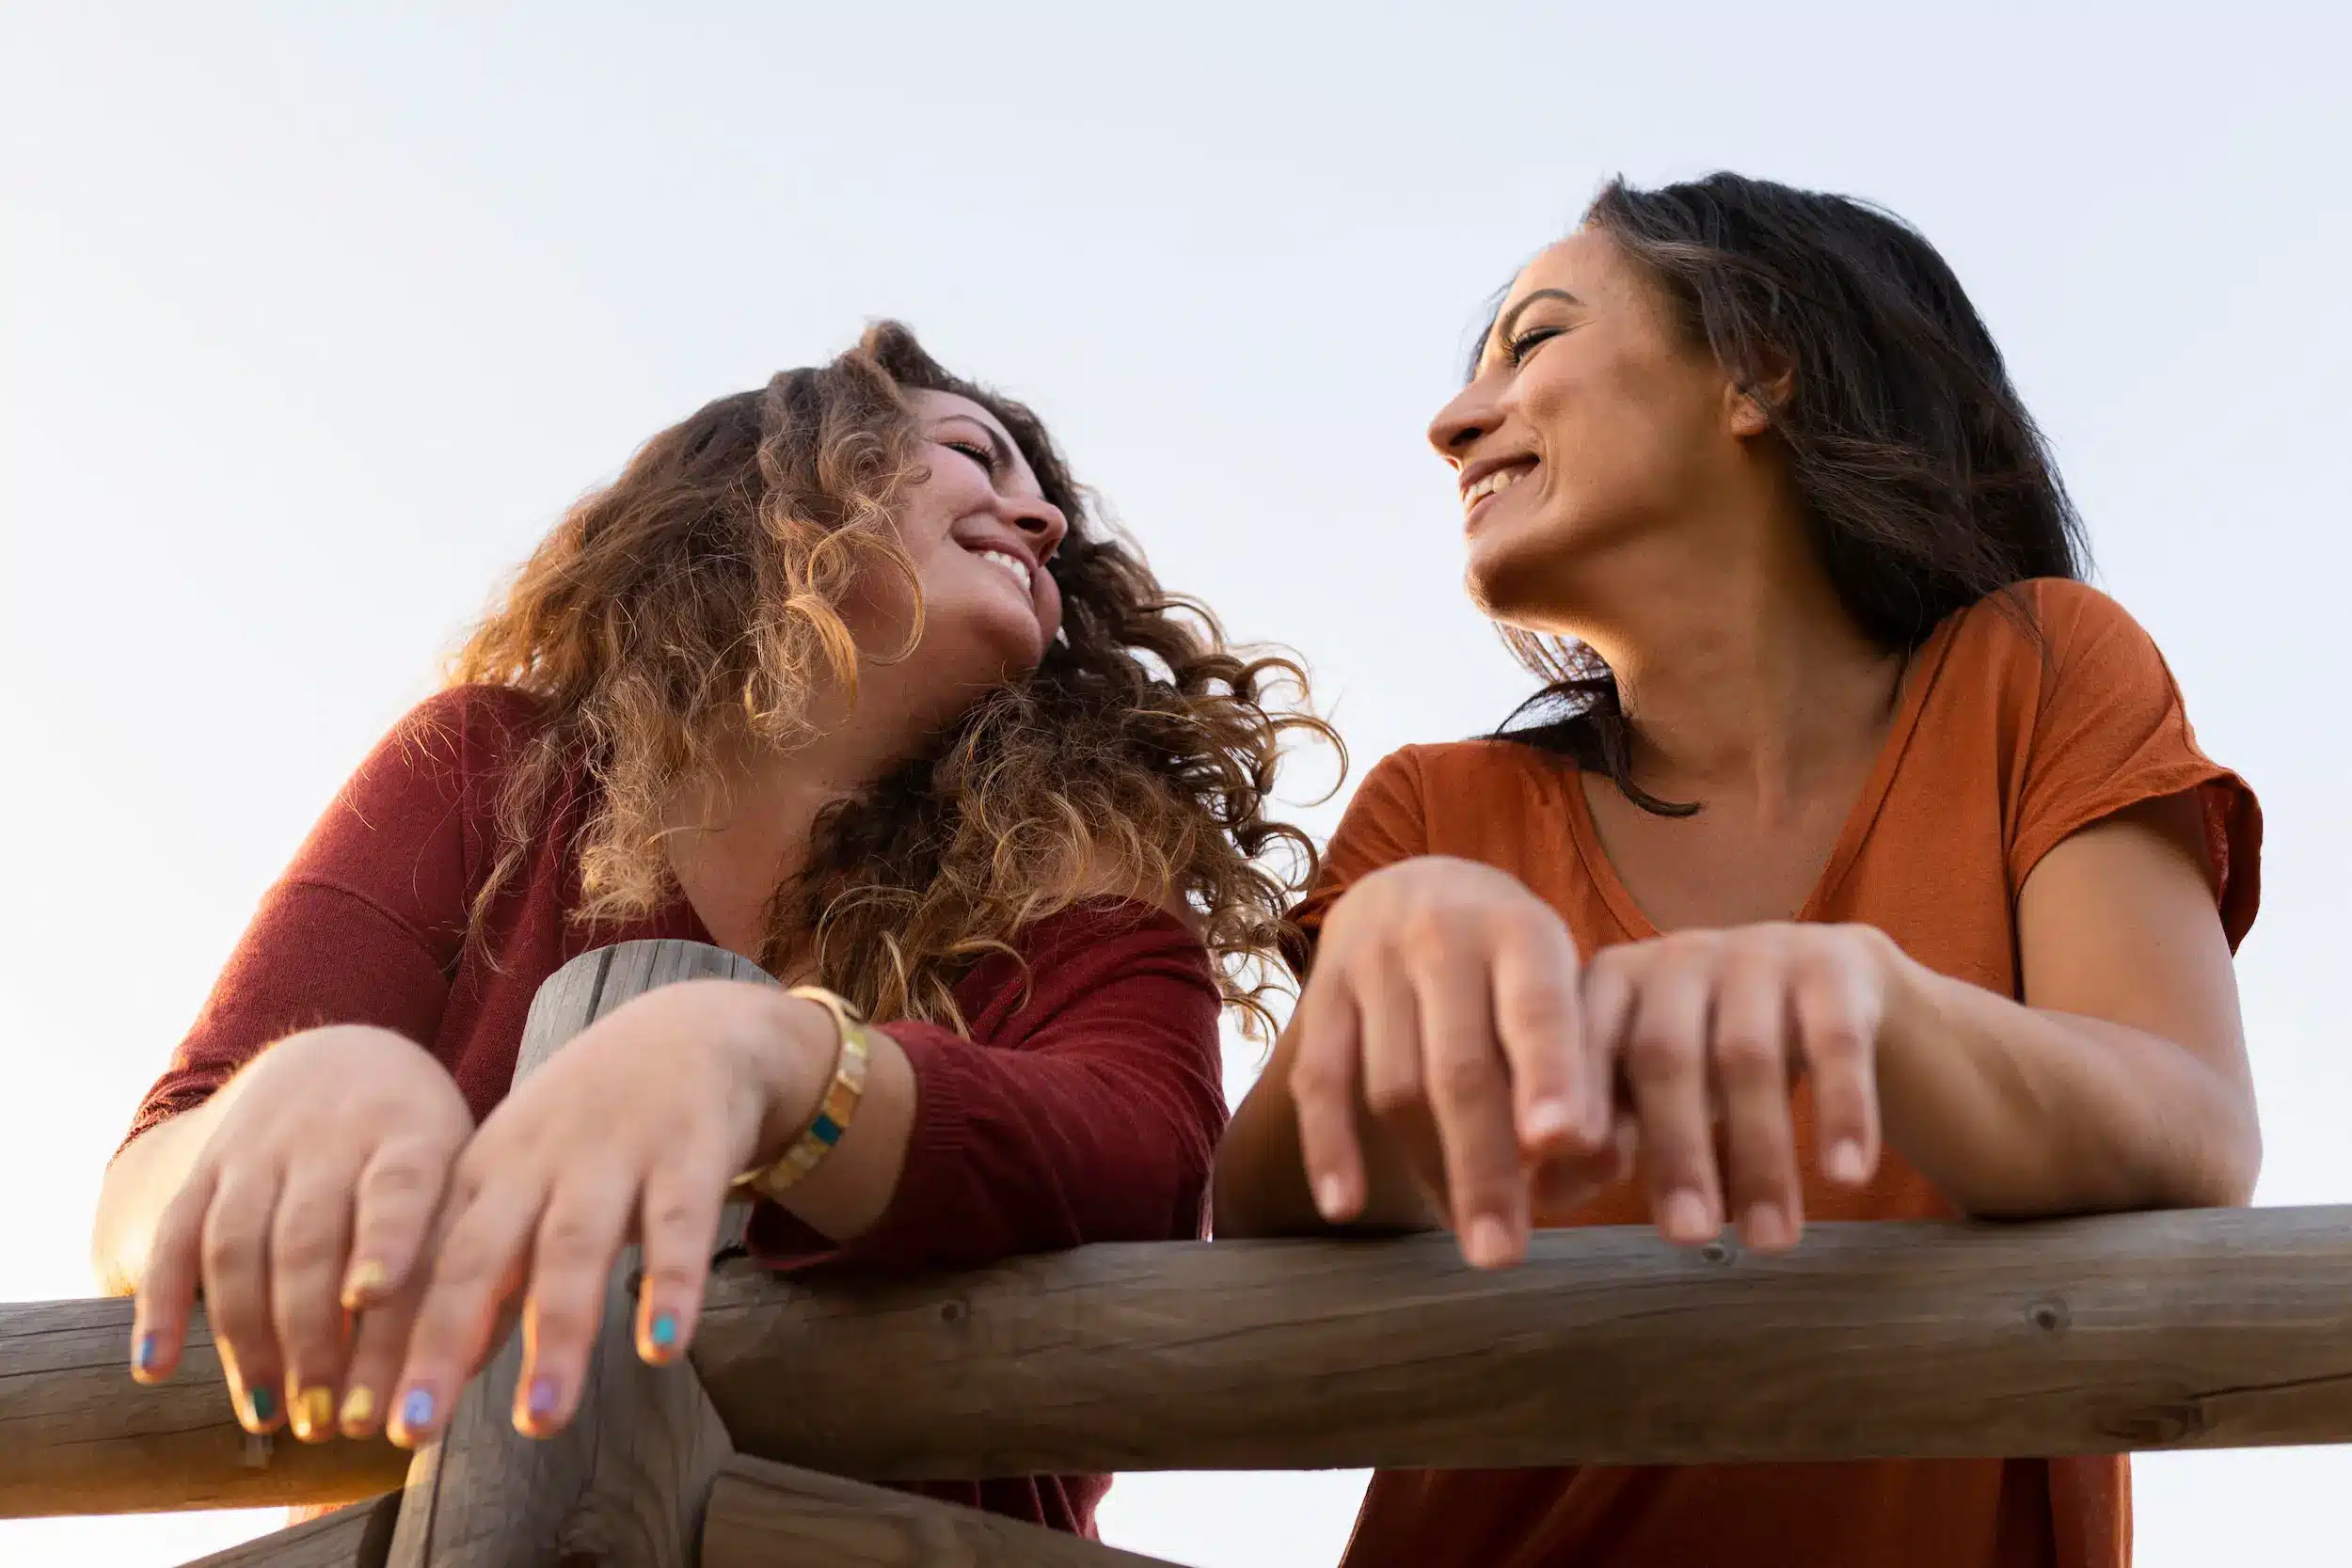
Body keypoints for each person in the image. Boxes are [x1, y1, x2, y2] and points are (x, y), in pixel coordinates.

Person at [95, 322, 1325, 1539]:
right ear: (790, 479)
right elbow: (142, 1192)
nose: (1043, 519)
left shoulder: (1081, 872)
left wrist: (788, 1068)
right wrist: (281, 1103)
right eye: (973, 453)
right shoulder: (486, 765)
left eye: (1042, 497)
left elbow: (1146, 1172)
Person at [1214, 173, 2260, 1568]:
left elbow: (2193, 1128)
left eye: (1533, 342)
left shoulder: (2042, 673)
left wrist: (1881, 1006)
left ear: (1757, 369)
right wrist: (1367, 1007)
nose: (1452, 422)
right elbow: (1274, 1220)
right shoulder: (1435, 811)